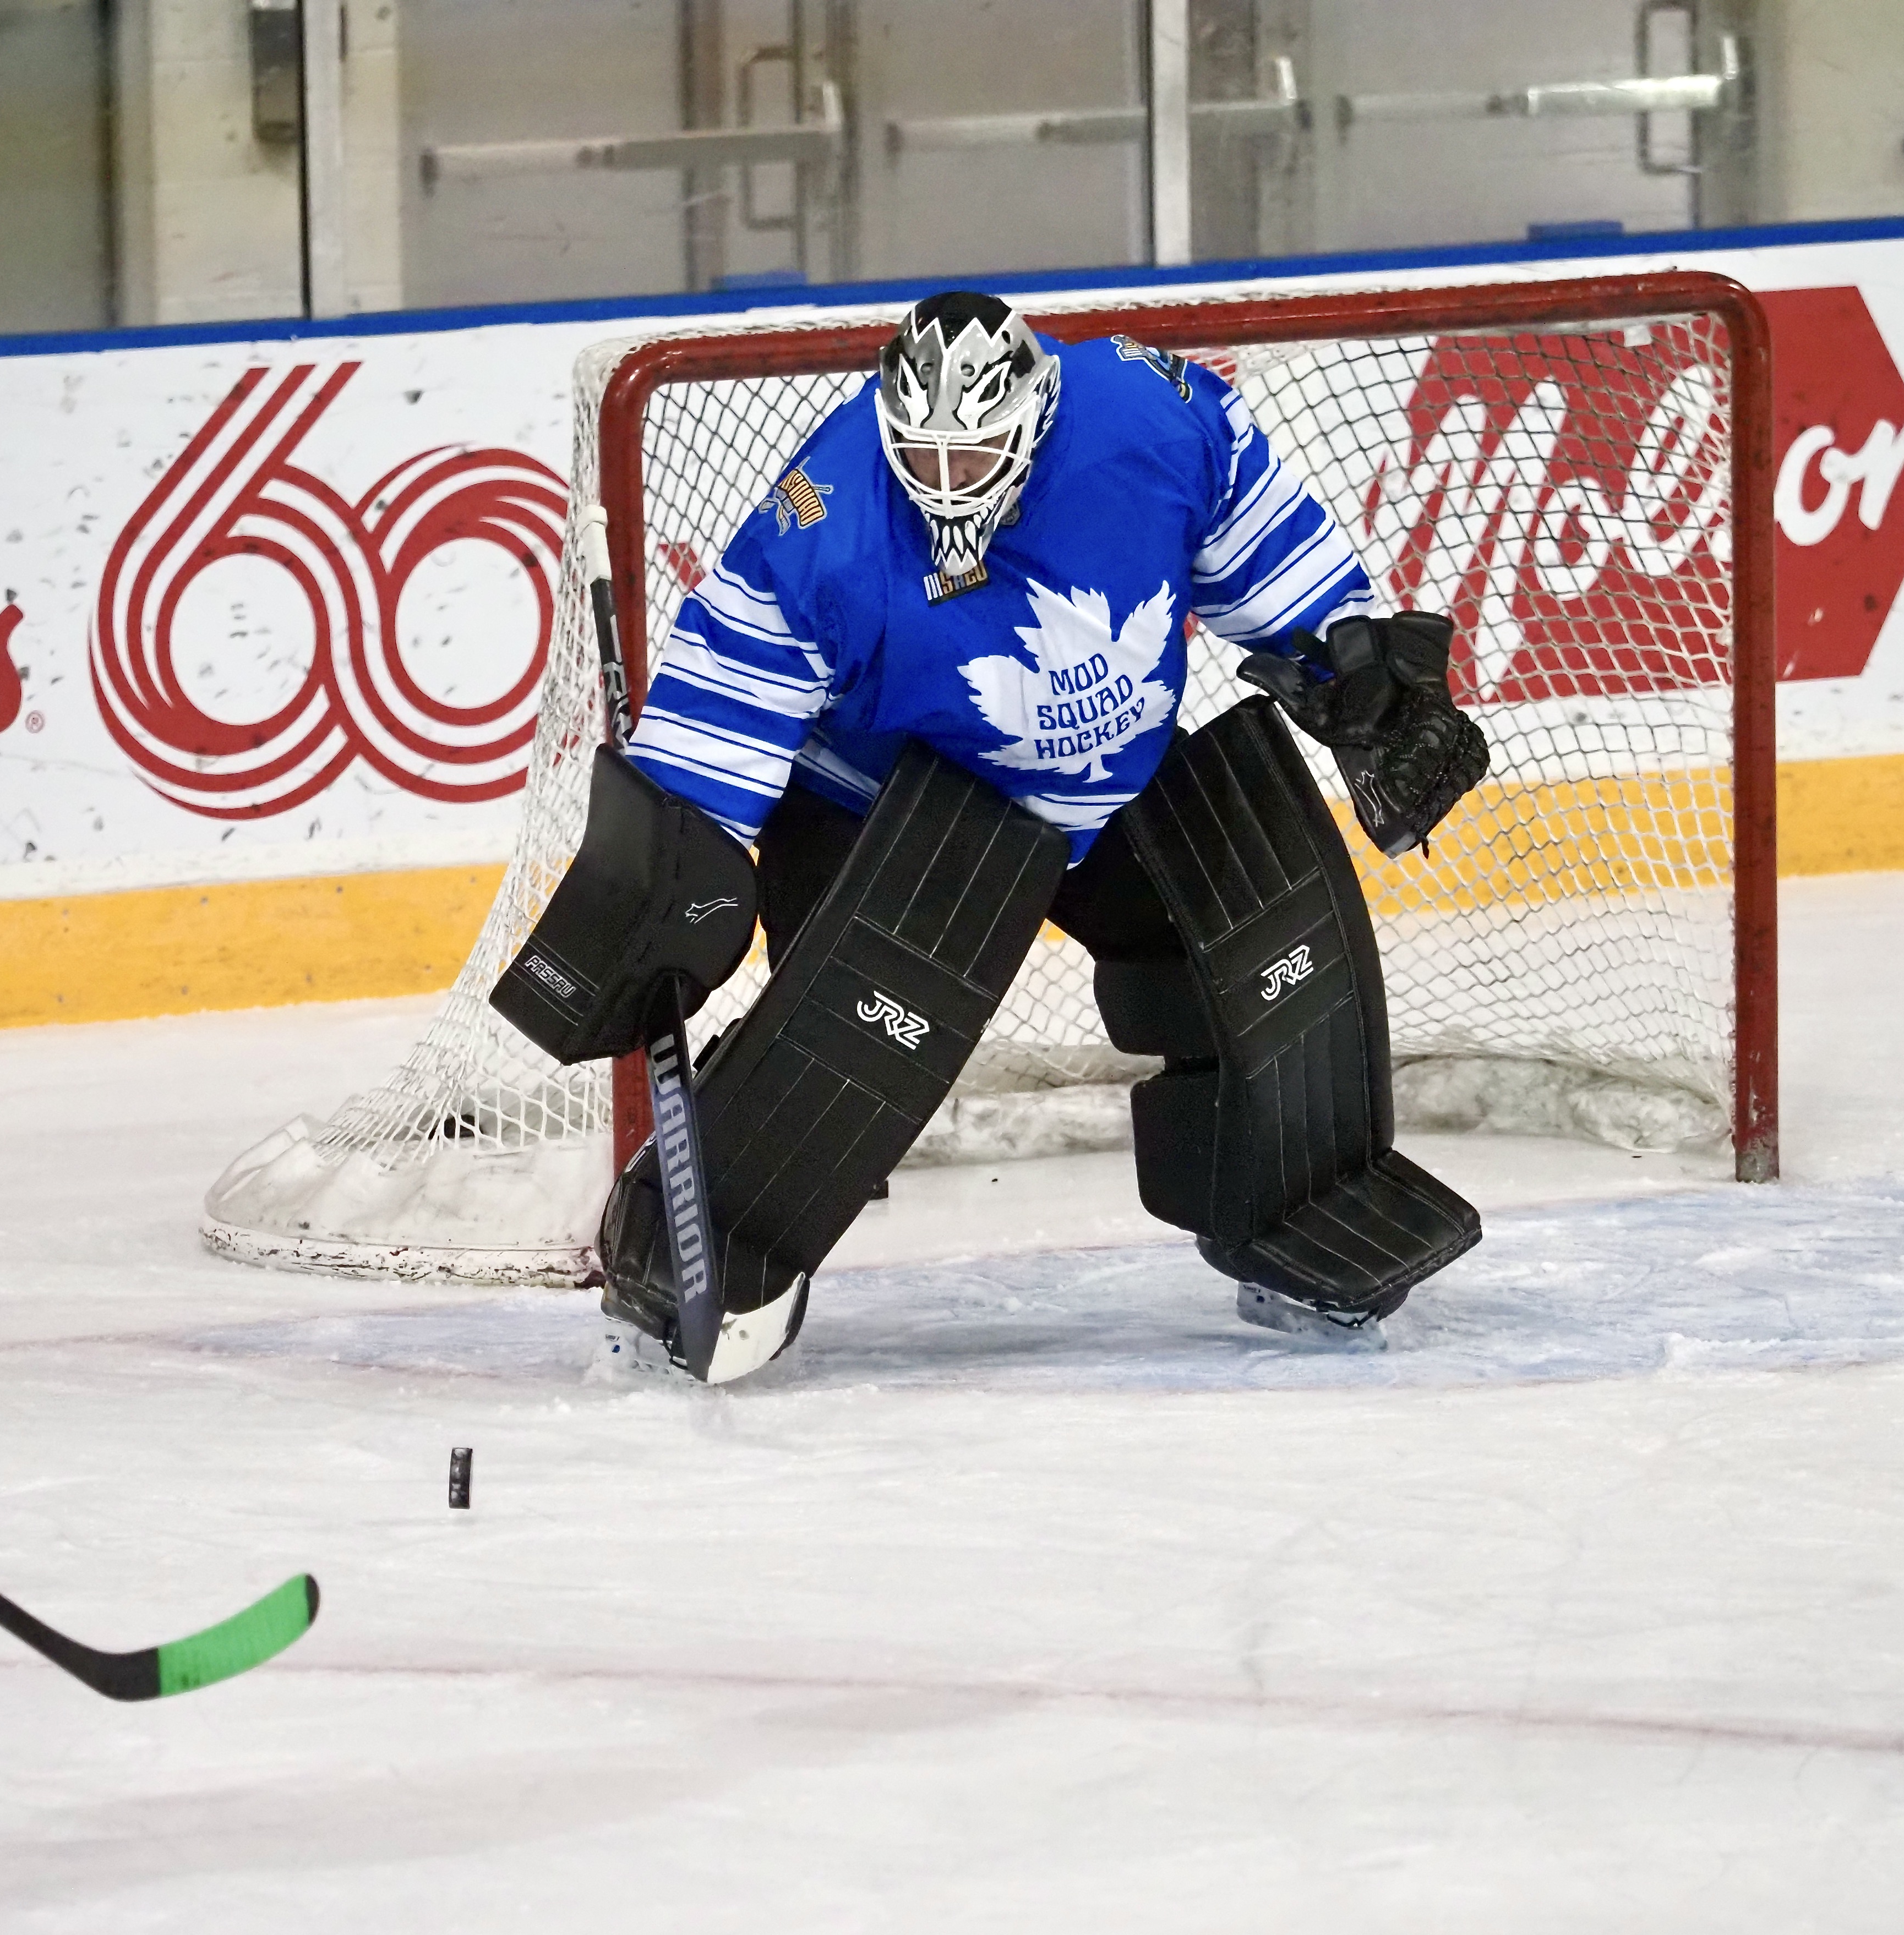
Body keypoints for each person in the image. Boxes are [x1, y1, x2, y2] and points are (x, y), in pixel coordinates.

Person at [494, 290, 1492, 1382]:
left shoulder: (1146, 416)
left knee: (1253, 958)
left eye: (969, 457)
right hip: (884, 805)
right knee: (847, 1050)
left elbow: (1261, 544)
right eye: (920, 454)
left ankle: (1297, 1209)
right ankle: (702, 1235)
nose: (942, 481)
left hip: (1105, 787)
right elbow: (731, 682)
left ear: (1034, 417)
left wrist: (1357, 673)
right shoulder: (827, 513)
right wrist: (672, 860)